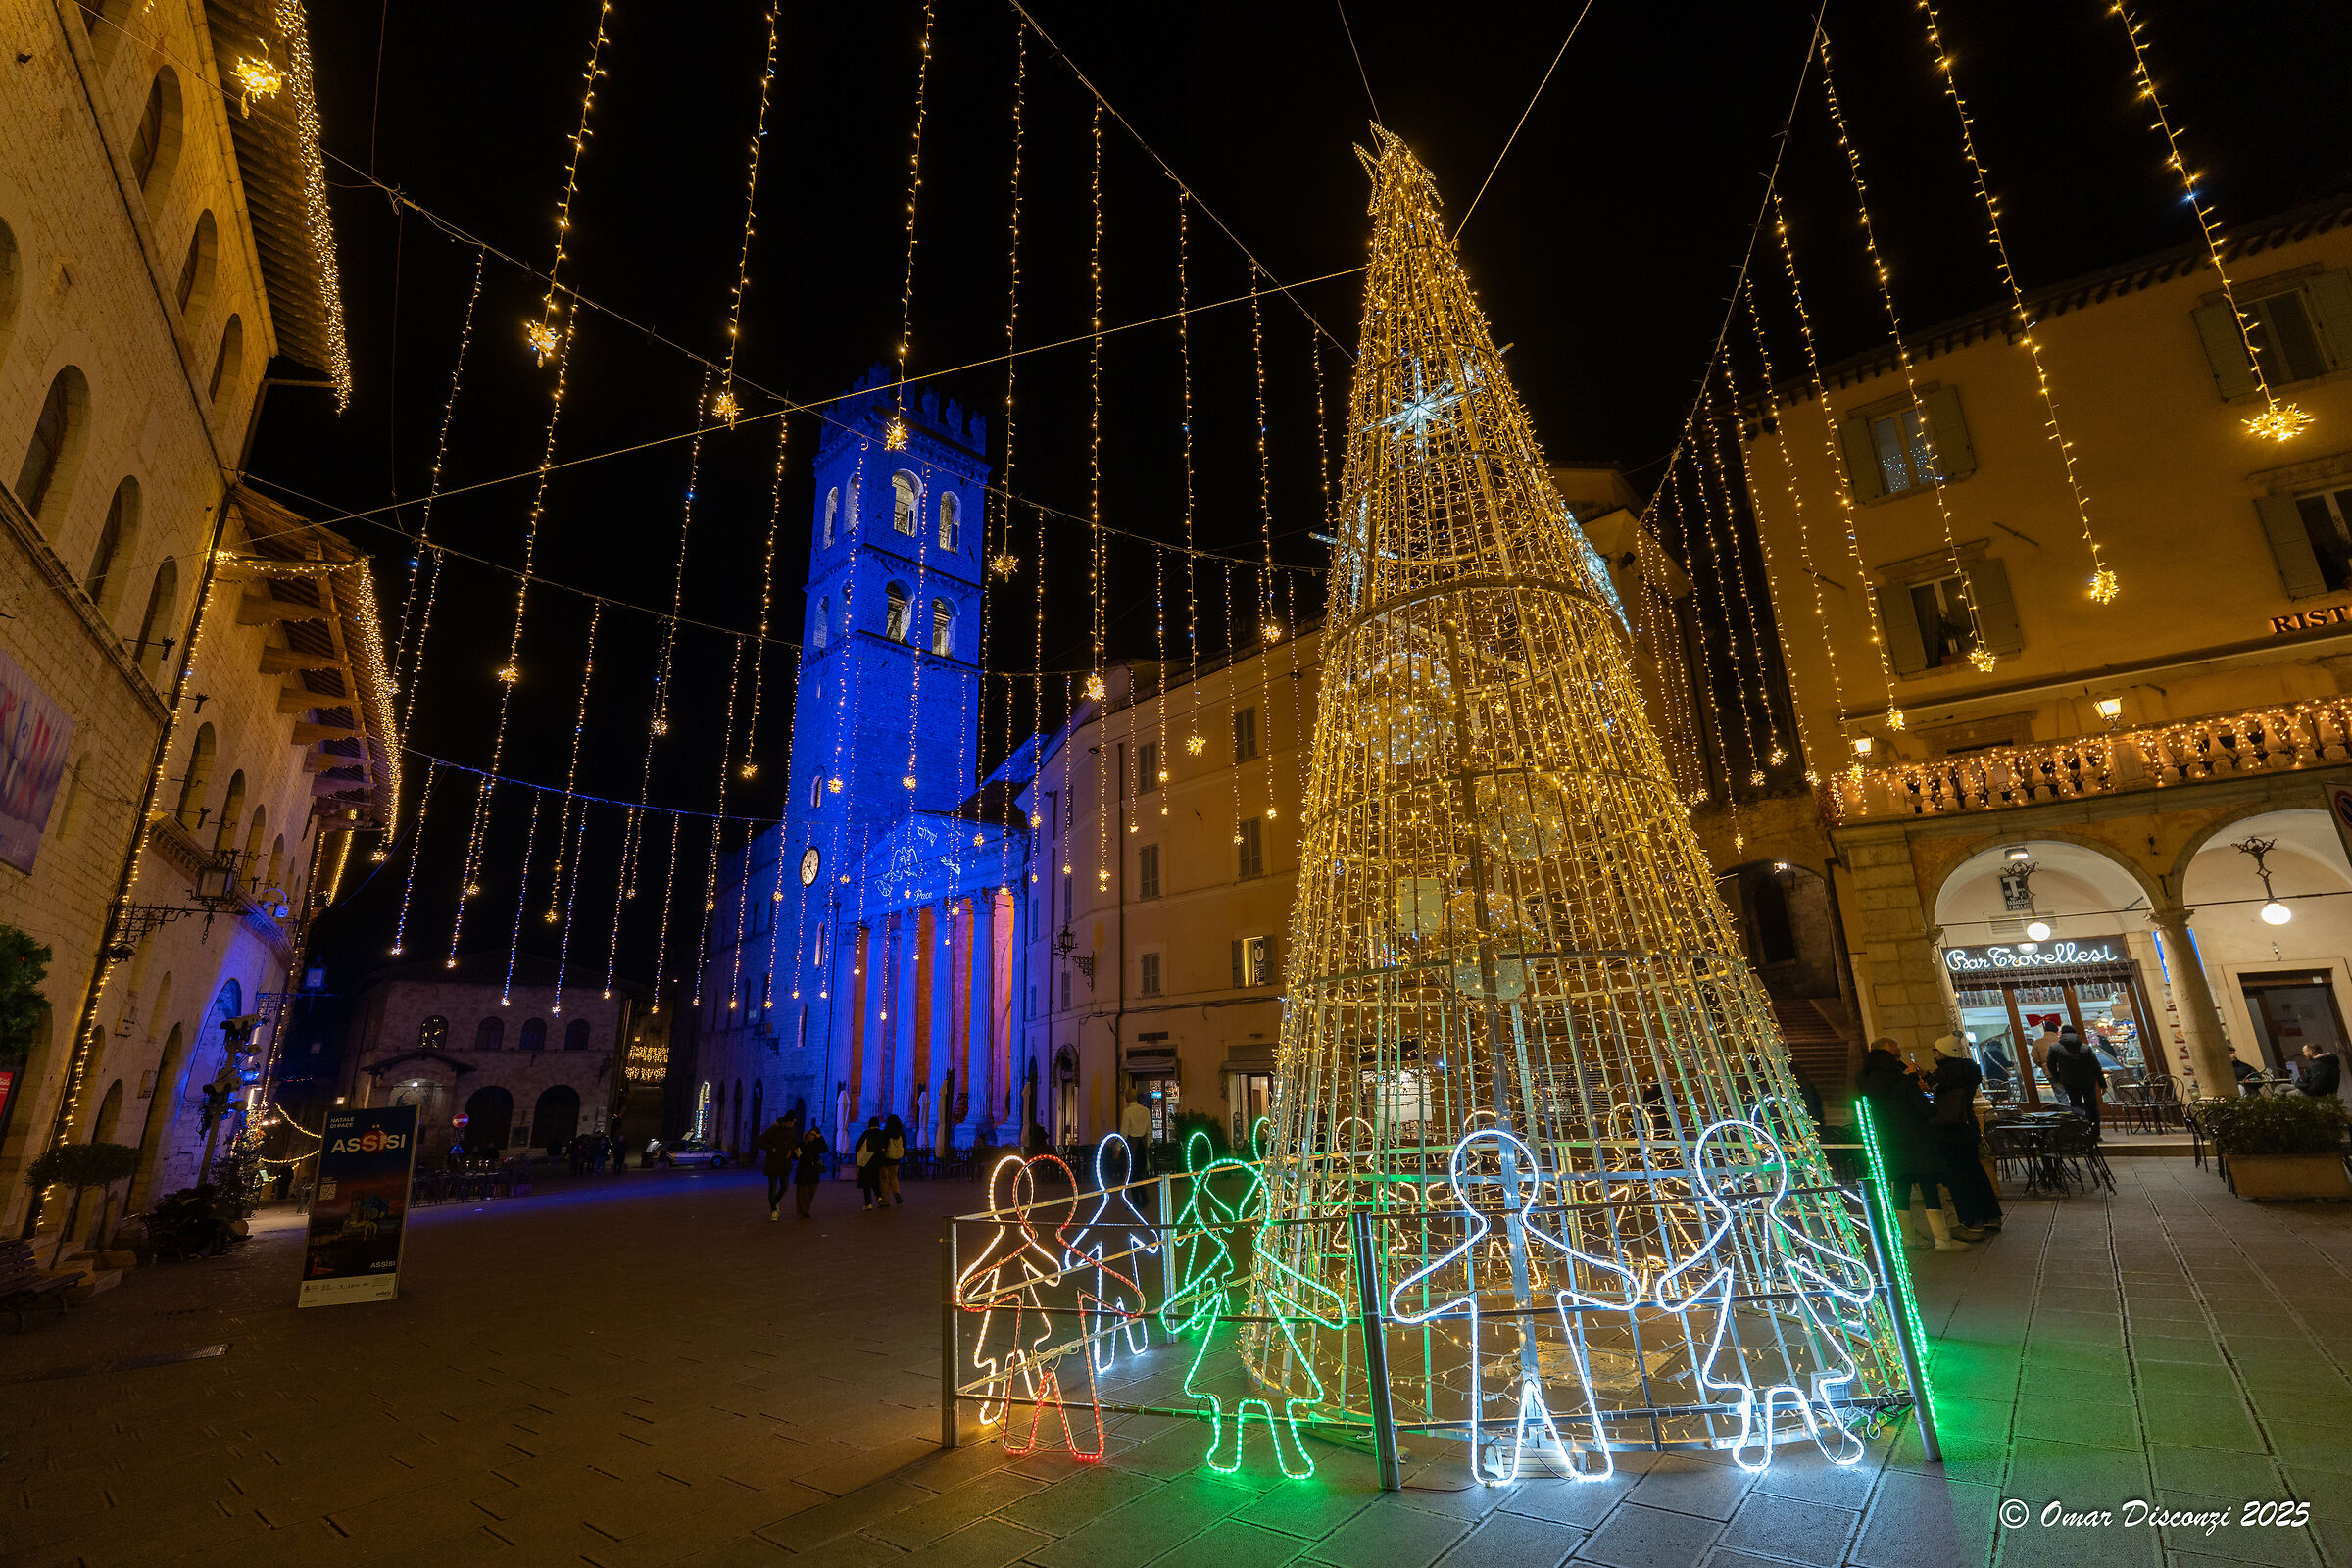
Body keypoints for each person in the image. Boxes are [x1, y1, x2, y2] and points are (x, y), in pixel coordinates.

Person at [1857, 1043, 1975, 1250]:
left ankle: (1909, 1238)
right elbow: (1926, 1110)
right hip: (1917, 1142)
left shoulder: (1867, 1087)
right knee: (1929, 1188)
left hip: (1891, 1143)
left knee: (1901, 1189)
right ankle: (1943, 1240)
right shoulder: (1903, 1082)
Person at [1929, 1035, 2002, 1232]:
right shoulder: (1968, 1070)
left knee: (1958, 1176)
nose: (1934, 1054)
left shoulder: (1945, 1073)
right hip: (1968, 1126)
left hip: (1949, 1129)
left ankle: (1972, 1219)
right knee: (1975, 1171)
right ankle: (1991, 1215)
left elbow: (1932, 1086)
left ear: (1943, 1052)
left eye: (1935, 1050)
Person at [2049, 1025, 2107, 1138]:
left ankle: (2080, 1133)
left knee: (2076, 1106)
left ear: (2062, 1034)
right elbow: (2096, 1066)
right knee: (2092, 1106)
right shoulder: (2085, 1047)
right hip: (2087, 1080)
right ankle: (2095, 1133)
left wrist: (2058, 1079)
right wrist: (2102, 1084)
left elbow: (2051, 1066)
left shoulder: (2055, 1047)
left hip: (2069, 1081)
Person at [755, 1114, 798, 1219]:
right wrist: (771, 1148)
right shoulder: (774, 1130)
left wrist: (790, 1150)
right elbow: (760, 1141)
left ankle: (775, 1202)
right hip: (773, 1162)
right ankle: (774, 1210)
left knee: (785, 1185)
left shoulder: (792, 1131)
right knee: (773, 1187)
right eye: (790, 1124)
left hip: (785, 1162)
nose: (791, 1125)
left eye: (793, 1124)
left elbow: (793, 1142)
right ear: (785, 1122)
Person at [792, 1125, 829, 1217]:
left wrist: (820, 1137)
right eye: (810, 1134)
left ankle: (804, 1209)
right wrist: (794, 1152)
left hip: (814, 1171)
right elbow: (795, 1157)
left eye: (814, 1135)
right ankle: (804, 1211)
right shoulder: (803, 1144)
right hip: (803, 1170)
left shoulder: (817, 1144)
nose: (811, 1136)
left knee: (812, 1191)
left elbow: (825, 1149)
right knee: (803, 1193)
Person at [854, 1116, 886, 1210]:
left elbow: (858, 1146)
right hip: (878, 1159)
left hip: (866, 1158)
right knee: (876, 1180)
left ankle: (868, 1203)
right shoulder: (881, 1133)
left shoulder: (867, 1133)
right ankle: (879, 1197)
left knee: (866, 1183)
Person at [881, 1113, 908, 1206]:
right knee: (893, 1177)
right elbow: (904, 1145)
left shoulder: (885, 1133)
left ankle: (886, 1201)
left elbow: (882, 1145)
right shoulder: (901, 1134)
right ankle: (896, 1192)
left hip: (885, 1159)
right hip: (896, 1159)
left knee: (884, 1179)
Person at [1120, 1094, 1153, 1168]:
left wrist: (1118, 1148)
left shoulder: (1127, 1112)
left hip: (1132, 1144)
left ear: (1127, 1099)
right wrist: (1147, 1144)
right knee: (1143, 1168)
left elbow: (1124, 1132)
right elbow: (1149, 1130)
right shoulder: (1146, 1111)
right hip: (1143, 1143)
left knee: (1132, 1169)